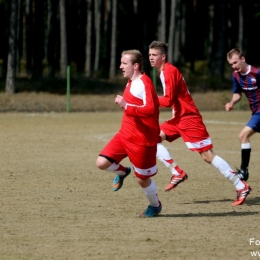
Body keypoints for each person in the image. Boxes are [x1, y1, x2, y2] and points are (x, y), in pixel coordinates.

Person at [148, 40, 252, 206]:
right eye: (149, 55)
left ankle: (241, 186)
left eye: (154, 55)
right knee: (151, 139)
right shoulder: (164, 71)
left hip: (188, 118)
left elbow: (167, 101)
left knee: (207, 156)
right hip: (178, 119)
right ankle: (177, 172)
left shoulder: (168, 71)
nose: (151, 58)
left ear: (163, 56)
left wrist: (147, 99)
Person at [96, 49, 162, 217]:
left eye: (124, 63)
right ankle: (123, 172)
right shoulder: (130, 81)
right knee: (101, 162)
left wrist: (126, 105)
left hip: (142, 141)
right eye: (121, 63)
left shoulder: (145, 83)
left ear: (136, 65)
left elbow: (151, 109)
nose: (120, 66)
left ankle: (155, 206)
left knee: (142, 179)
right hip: (124, 135)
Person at [225, 48, 260, 182]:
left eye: (235, 62)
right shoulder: (236, 76)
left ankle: (243, 172)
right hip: (255, 112)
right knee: (243, 136)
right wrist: (232, 102)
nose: (234, 66)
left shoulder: (257, 73)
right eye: (231, 64)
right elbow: (237, 93)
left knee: (243, 135)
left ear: (243, 59)